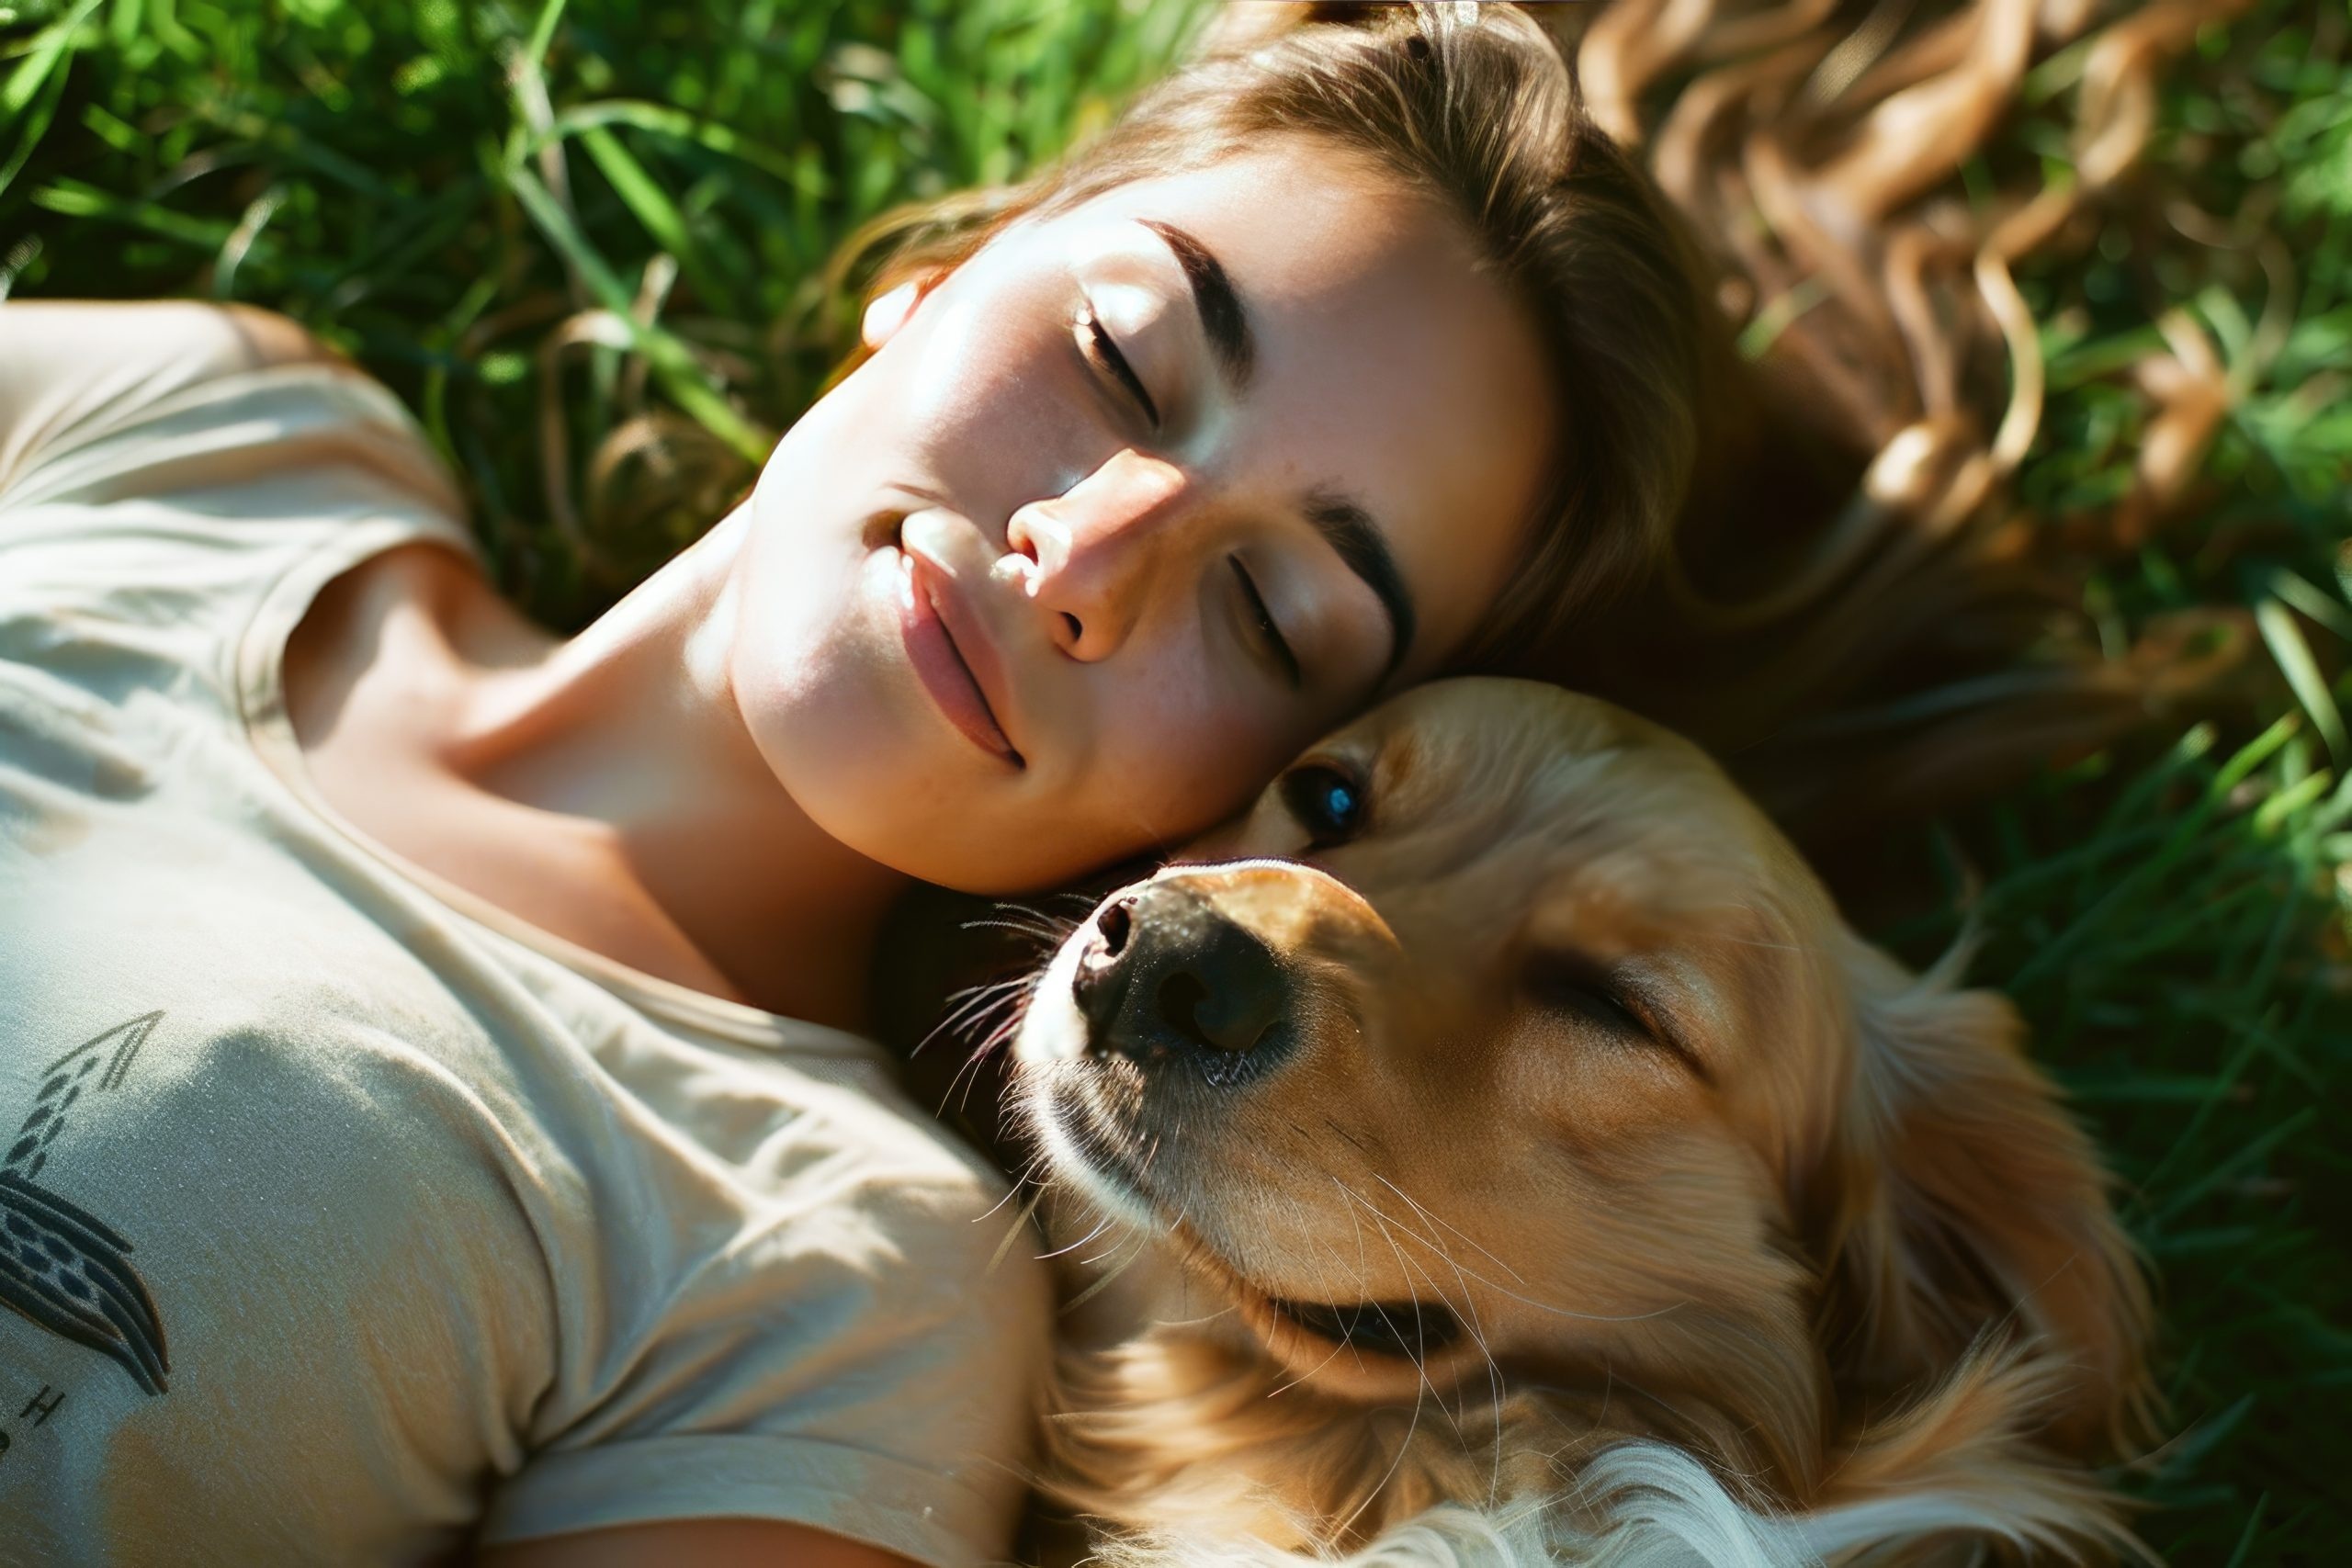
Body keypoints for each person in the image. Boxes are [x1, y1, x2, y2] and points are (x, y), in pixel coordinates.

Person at [0, 6, 1734, 1563]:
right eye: (1122, 356)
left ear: (1251, 790)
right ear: (955, 267)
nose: (1087, 556)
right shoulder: (206, 436)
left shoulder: (843, 1291)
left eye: (1268, 612)